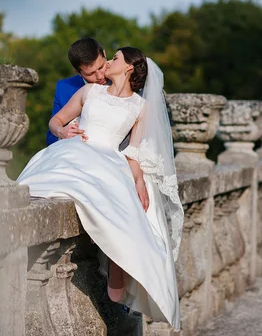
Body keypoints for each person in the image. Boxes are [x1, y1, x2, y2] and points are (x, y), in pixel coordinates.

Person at [17, 47, 184, 330]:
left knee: (123, 201)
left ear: (129, 68)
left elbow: (133, 151)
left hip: (109, 157)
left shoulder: (140, 107)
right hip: (74, 149)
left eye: (115, 58)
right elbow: (56, 121)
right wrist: (63, 131)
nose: (108, 62)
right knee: (40, 188)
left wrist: (140, 181)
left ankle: (118, 268)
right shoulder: (89, 93)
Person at [46, 37, 108, 146]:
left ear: (105, 54)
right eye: (90, 73)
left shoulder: (121, 76)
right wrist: (62, 132)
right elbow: (51, 135)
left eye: (101, 67)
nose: (100, 76)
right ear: (78, 72)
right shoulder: (64, 88)